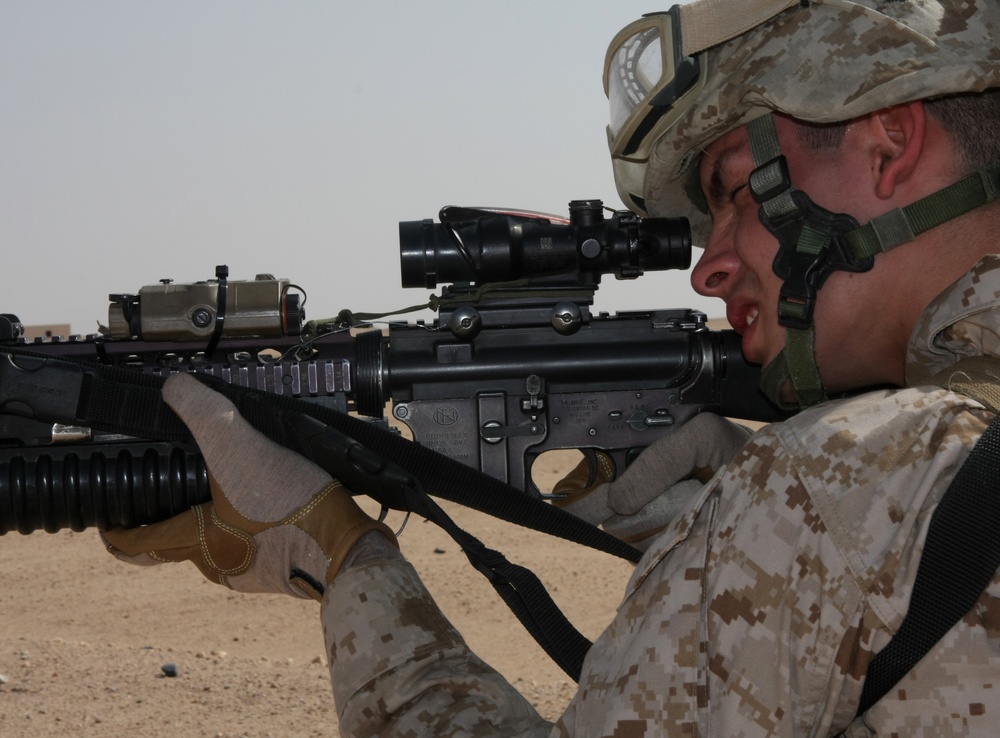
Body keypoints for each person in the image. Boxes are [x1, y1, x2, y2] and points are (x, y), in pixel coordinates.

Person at [101, 1, 1000, 735]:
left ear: (888, 143)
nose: (708, 265)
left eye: (732, 191)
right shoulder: (892, 475)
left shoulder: (833, 484)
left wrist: (339, 559)